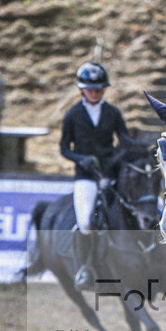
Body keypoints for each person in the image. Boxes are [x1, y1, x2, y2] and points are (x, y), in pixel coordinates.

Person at [60, 61, 136, 289]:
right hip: (86, 176)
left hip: (110, 173)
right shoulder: (73, 115)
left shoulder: (113, 113)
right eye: (90, 88)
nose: (94, 92)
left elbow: (124, 140)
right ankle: (85, 267)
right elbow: (64, 148)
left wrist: (137, 148)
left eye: (98, 88)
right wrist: (80, 159)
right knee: (85, 223)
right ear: (82, 89)